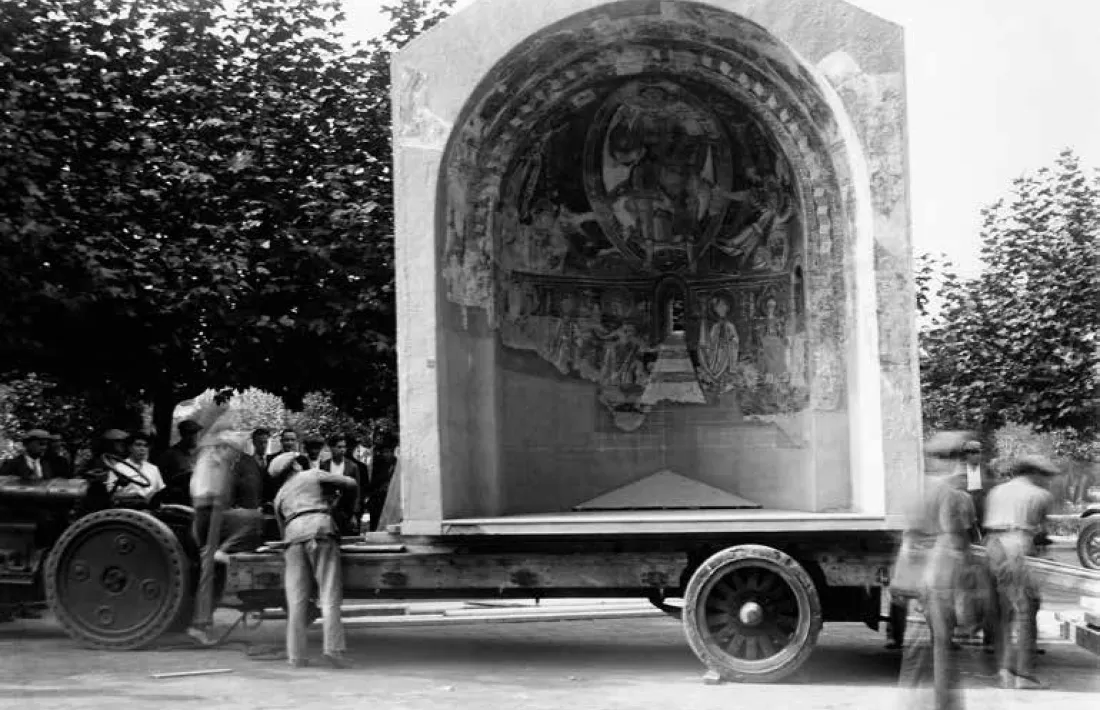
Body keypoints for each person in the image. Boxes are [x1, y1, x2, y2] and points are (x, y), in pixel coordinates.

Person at [896, 430, 976, 710]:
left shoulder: (916, 489)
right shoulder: (948, 493)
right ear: (952, 459)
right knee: (942, 650)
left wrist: (905, 581)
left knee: (915, 651)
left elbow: (907, 538)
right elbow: (951, 540)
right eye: (958, 457)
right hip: (937, 582)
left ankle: (908, 704)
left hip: (916, 582)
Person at [270, 452, 357, 668]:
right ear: (296, 465)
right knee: (328, 595)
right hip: (321, 529)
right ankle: (333, 650)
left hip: (292, 538)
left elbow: (282, 531)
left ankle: (297, 656)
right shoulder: (311, 474)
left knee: (297, 601)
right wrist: (341, 509)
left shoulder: (279, 496)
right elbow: (351, 483)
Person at [983, 454, 1057, 690]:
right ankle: (1023, 673)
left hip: (993, 547)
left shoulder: (997, 492)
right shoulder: (1040, 495)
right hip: (1018, 547)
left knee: (1002, 613)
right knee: (1026, 611)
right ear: (1034, 473)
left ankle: (1005, 669)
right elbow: (1040, 532)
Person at [187, 424, 255, 646]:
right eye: (234, 452)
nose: (236, 457)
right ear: (224, 448)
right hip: (209, 513)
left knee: (212, 572)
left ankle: (201, 622)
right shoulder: (210, 460)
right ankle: (199, 624)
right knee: (208, 570)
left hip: (215, 511)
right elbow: (204, 492)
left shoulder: (219, 460)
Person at [321, 434, 364, 535]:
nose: (342, 450)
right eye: (339, 447)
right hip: (330, 509)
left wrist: (354, 513)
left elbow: (357, 491)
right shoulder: (324, 466)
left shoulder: (352, 466)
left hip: (347, 509)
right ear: (331, 448)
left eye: (344, 447)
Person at [111, 431, 165, 502]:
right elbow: (112, 495)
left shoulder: (153, 468)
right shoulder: (118, 467)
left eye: (145, 446)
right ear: (129, 448)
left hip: (150, 508)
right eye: (138, 445)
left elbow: (160, 490)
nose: (142, 449)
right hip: (127, 509)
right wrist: (136, 495)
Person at [158, 420, 203, 505]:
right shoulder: (170, 455)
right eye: (190, 433)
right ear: (182, 434)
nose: (194, 436)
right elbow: (161, 481)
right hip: (179, 499)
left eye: (196, 433)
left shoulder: (202, 454)